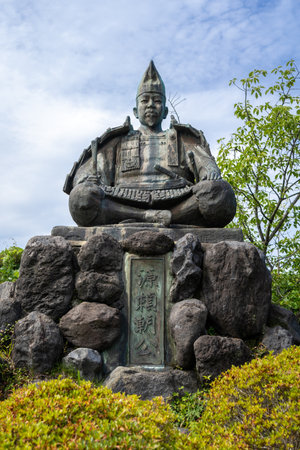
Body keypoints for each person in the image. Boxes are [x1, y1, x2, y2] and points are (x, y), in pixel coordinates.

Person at [64, 61, 236, 227]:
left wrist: (209, 172)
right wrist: (87, 180)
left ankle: (167, 216)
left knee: (220, 192)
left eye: (157, 101)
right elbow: (85, 176)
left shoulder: (183, 138)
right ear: (135, 111)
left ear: (165, 111)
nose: (151, 105)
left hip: (176, 200)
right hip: (123, 201)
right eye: (145, 100)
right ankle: (147, 217)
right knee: (80, 197)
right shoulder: (117, 140)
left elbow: (207, 166)